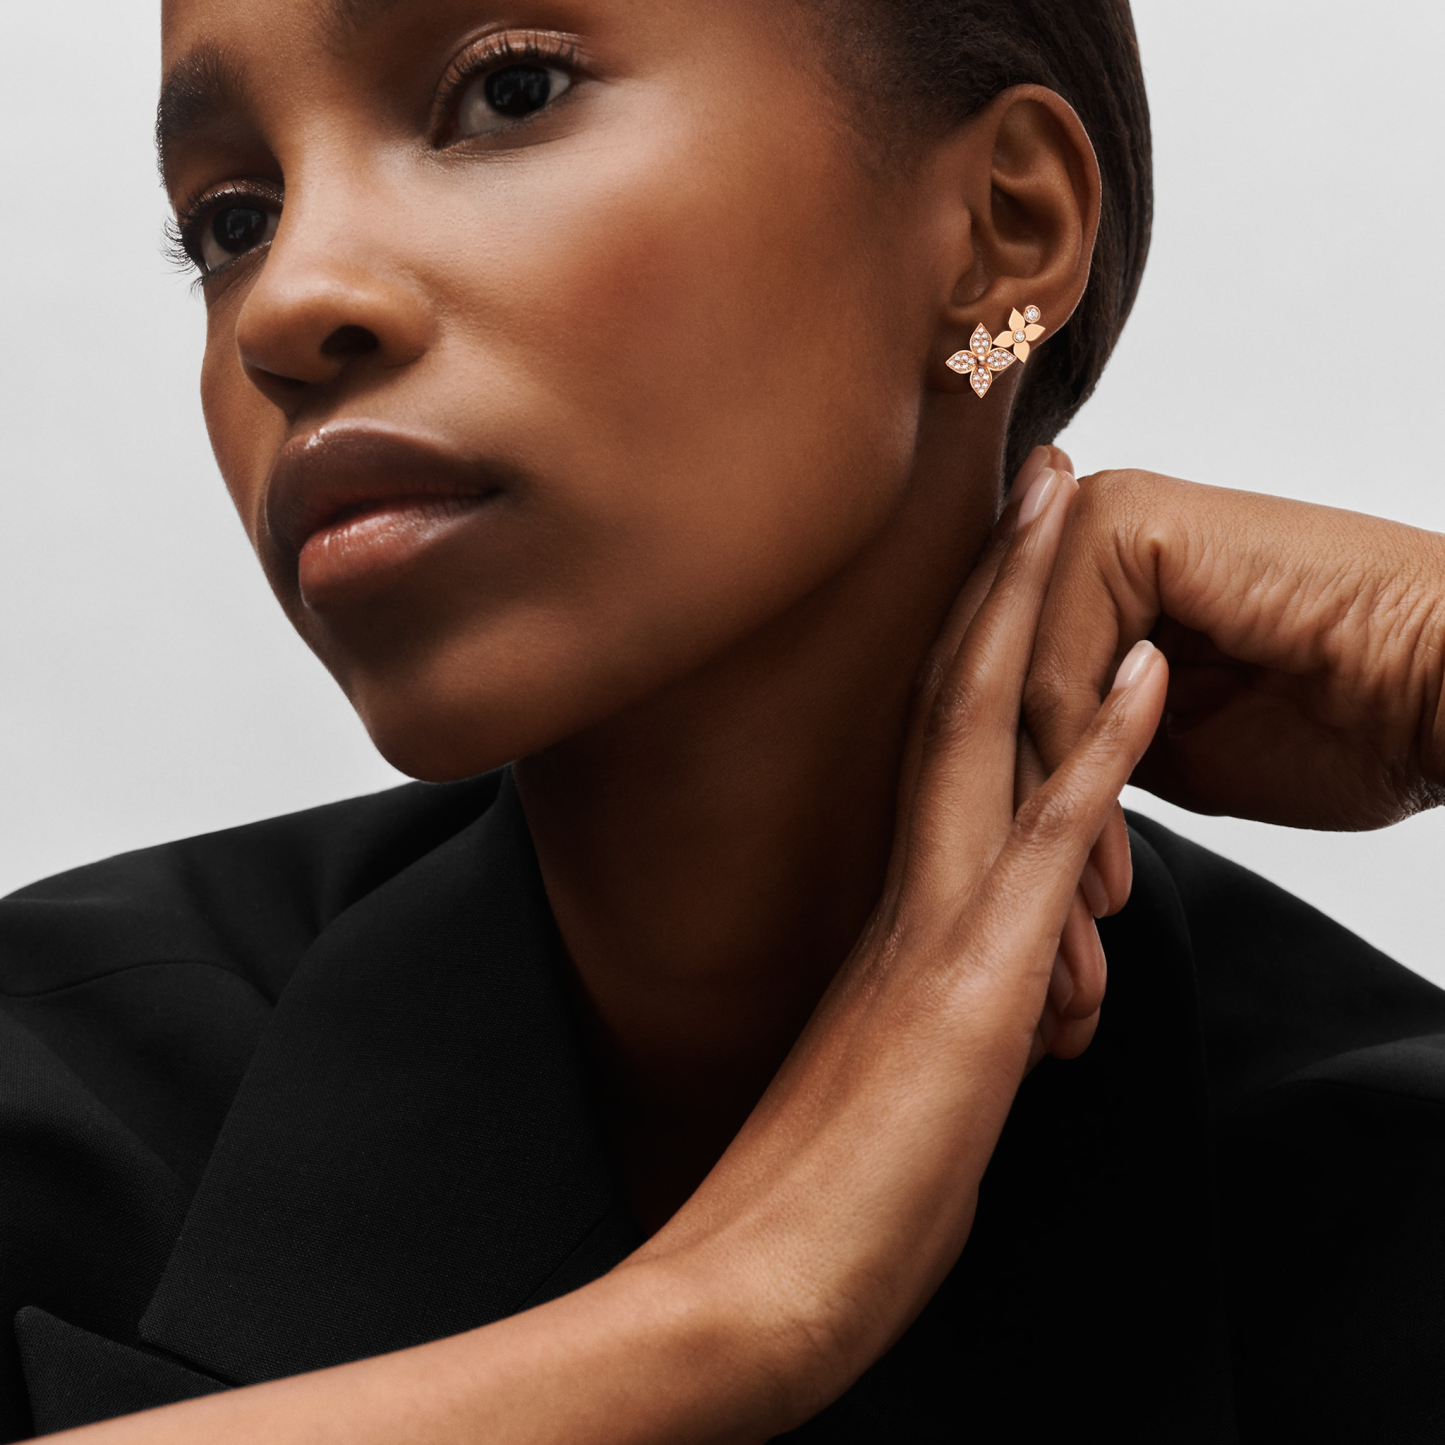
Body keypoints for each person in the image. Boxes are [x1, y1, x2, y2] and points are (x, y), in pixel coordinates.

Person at [5, 0, 1445, 1440]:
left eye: (511, 92)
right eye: (233, 222)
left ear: (1001, 228)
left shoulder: (1380, 1197)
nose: (282, 305)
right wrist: (733, 1308)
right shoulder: (54, 1101)